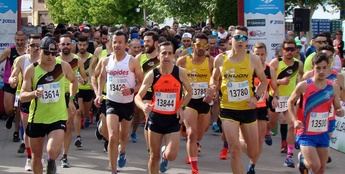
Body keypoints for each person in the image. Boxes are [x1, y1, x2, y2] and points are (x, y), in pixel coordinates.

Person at [210, 26, 268, 174]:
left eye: (244, 38)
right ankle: (237, 144)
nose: (240, 41)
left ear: (247, 41)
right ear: (231, 39)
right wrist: (212, 88)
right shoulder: (220, 59)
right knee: (234, 151)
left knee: (253, 152)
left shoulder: (253, 59)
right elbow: (214, 78)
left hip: (248, 108)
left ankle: (242, 141)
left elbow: (264, 81)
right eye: (237, 37)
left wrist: (255, 97)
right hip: (228, 109)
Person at [20, 36, 77, 174]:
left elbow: (73, 81)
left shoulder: (62, 66)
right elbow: (22, 96)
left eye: (53, 53)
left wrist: (70, 99)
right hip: (37, 118)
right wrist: (34, 93)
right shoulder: (31, 70)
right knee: (37, 156)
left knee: (51, 151)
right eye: (47, 52)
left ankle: (52, 161)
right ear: (40, 51)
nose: (50, 56)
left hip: (57, 117)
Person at [135, 41, 192, 174]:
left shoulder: (180, 72)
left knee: (172, 155)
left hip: (173, 119)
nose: (166, 56)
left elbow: (190, 92)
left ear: (173, 55)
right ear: (159, 56)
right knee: (154, 157)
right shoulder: (152, 74)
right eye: (163, 53)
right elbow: (137, 96)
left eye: (169, 53)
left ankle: (165, 154)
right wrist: (143, 106)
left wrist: (181, 106)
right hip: (156, 118)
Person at [94, 30, 143, 174]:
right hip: (111, 102)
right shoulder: (106, 60)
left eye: (120, 42)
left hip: (127, 104)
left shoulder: (132, 61)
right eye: (114, 42)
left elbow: (141, 82)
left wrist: (132, 90)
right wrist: (98, 94)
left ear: (126, 44)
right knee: (113, 135)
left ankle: (123, 152)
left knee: (123, 135)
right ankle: (113, 168)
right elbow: (101, 77)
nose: (117, 45)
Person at [288, 53, 344, 174]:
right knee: (315, 165)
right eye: (318, 68)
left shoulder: (333, 87)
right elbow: (290, 102)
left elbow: (338, 107)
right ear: (313, 67)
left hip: (323, 132)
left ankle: (305, 162)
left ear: (329, 67)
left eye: (324, 67)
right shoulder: (304, 86)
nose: (322, 71)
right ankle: (304, 161)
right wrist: (294, 120)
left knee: (321, 168)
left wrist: (340, 111)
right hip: (306, 133)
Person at [176, 33, 214, 174]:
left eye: (204, 45)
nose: (201, 48)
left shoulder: (211, 61)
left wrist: (212, 89)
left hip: (204, 101)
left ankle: (196, 143)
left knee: (200, 132)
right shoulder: (183, 61)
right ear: (193, 45)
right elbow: (175, 80)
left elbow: (215, 80)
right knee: (191, 133)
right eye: (198, 45)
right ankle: (194, 166)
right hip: (189, 100)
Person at [268, 39, 304, 168]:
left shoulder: (298, 64)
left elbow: (301, 79)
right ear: (282, 50)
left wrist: (299, 95)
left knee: (291, 125)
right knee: (272, 125)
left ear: (295, 51)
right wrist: (280, 82)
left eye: (292, 49)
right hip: (275, 97)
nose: (289, 52)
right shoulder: (276, 63)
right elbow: (268, 81)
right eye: (287, 49)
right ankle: (267, 131)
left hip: (289, 100)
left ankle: (289, 156)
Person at [9, 34, 41, 171]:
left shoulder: (47, 60)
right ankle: (29, 158)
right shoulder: (21, 60)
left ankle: (39, 156)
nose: (36, 48)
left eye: (39, 46)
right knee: (28, 130)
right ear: (28, 46)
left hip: (43, 99)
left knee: (40, 132)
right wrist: (12, 80)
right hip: (26, 97)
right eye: (33, 45)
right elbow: (13, 75)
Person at [56, 34, 81, 168]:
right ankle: (54, 152)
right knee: (56, 127)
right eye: (63, 44)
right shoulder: (55, 61)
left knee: (68, 126)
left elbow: (82, 76)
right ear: (59, 46)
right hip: (57, 96)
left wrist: (83, 79)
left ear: (71, 45)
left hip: (70, 95)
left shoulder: (77, 60)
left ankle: (64, 155)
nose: (65, 46)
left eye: (67, 44)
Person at [132, 31, 160, 146]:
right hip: (145, 92)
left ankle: (155, 145)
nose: (145, 44)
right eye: (144, 41)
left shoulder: (162, 56)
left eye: (148, 41)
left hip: (160, 93)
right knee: (147, 116)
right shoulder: (139, 57)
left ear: (156, 43)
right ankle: (150, 148)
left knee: (157, 120)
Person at [0, 31, 26, 142]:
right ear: (15, 40)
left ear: (25, 40)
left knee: (19, 108)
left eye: (22, 40)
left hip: (23, 83)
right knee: (9, 109)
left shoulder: (28, 52)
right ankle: (11, 116)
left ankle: (16, 132)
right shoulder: (9, 51)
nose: (20, 42)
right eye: (17, 40)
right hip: (9, 82)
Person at [252, 42, 278, 149]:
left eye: (262, 54)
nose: (260, 57)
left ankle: (253, 161)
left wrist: (275, 97)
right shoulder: (248, 69)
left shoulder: (270, 70)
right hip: (249, 105)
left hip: (262, 105)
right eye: (257, 54)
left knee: (260, 136)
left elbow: (275, 88)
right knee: (249, 136)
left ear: (266, 54)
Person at [74, 35, 95, 149]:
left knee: (85, 112)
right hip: (77, 89)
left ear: (87, 45)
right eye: (80, 45)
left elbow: (93, 72)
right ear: (77, 45)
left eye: (84, 45)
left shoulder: (92, 58)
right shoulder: (74, 58)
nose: (82, 47)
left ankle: (88, 115)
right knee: (78, 111)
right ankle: (78, 136)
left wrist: (91, 82)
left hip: (88, 88)